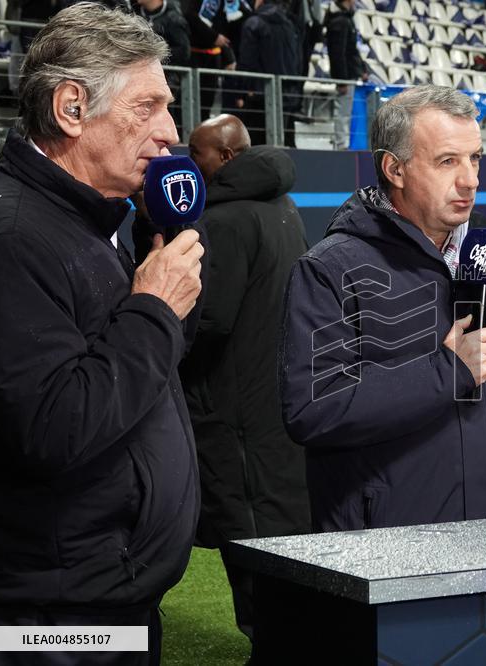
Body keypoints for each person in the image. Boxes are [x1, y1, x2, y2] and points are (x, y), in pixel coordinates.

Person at [0, 3, 204, 664]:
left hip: (104, 595)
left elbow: (140, 374)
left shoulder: (91, 220)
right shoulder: (10, 238)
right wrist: (154, 307)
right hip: (50, 624)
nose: (170, 131)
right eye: (148, 107)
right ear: (71, 109)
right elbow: (55, 427)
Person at [280, 85, 486, 532]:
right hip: (391, 546)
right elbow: (313, 410)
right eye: (448, 161)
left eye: (475, 158)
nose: (470, 180)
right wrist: (448, 370)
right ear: (395, 169)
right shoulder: (330, 269)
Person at [182, 114, 311, 640]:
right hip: (278, 395)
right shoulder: (284, 206)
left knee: (252, 529)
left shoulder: (225, 220)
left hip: (236, 406)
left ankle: (271, 639)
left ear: (227, 156)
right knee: (284, 528)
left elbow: (210, 322)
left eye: (198, 153)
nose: (190, 163)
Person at [235, 0, 302, 147]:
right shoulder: (290, 24)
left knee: (256, 146)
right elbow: (298, 60)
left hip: (258, 97)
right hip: (287, 93)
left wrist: (241, 92)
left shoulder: (253, 23)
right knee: (286, 145)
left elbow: (247, 60)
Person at [324, 0, 366, 150]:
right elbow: (337, 54)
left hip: (350, 74)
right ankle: (341, 144)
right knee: (343, 112)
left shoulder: (345, 19)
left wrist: (362, 69)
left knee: (346, 112)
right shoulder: (340, 21)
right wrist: (341, 80)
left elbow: (351, 49)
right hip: (346, 76)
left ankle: (342, 143)